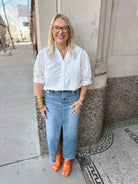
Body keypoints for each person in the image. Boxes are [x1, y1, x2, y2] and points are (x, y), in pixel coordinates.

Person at [34, 14, 92, 177]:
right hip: (51, 99)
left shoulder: (80, 53)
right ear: (52, 30)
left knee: (70, 133)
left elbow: (86, 79)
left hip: (72, 99)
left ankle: (67, 158)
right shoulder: (44, 54)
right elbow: (38, 81)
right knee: (52, 134)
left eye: (64, 27)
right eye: (57, 27)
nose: (60, 31)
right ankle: (57, 156)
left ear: (69, 31)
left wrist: (80, 100)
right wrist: (41, 104)